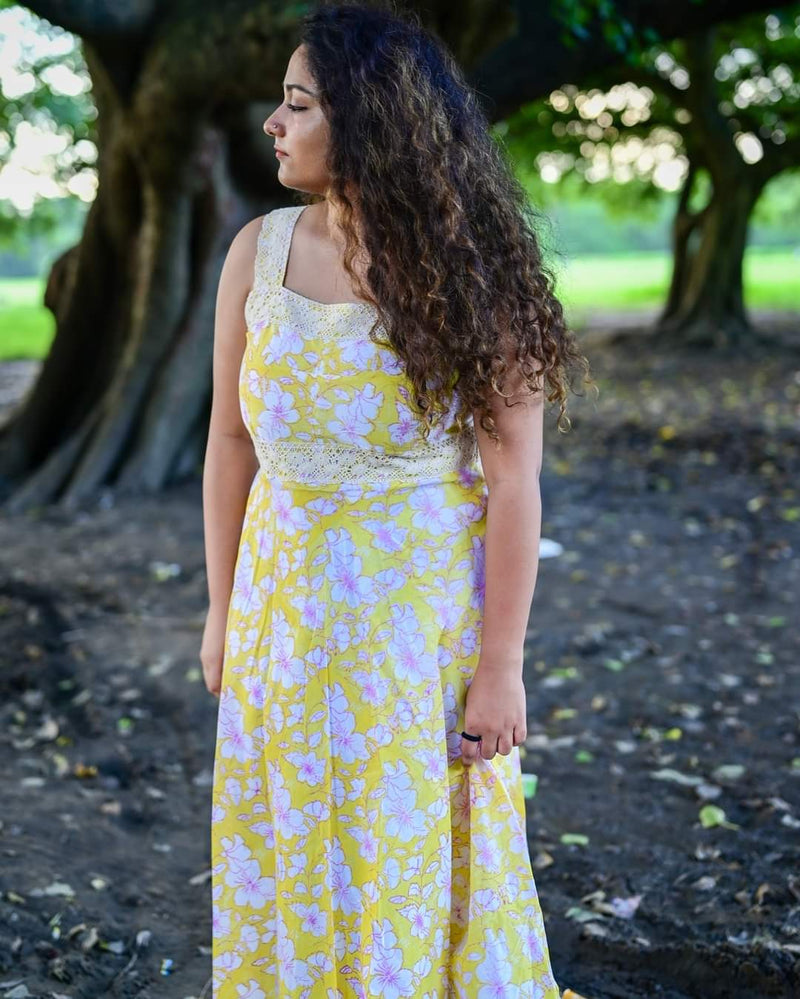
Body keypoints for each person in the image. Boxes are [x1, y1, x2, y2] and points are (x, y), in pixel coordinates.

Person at [201, 2, 592, 996]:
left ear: (370, 118)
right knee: (292, 834)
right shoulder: (258, 250)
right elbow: (231, 439)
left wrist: (498, 670)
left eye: (297, 103)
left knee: (405, 849)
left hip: (416, 633)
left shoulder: (471, 274)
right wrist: (220, 610)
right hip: (282, 621)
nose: (272, 123)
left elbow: (512, 484)